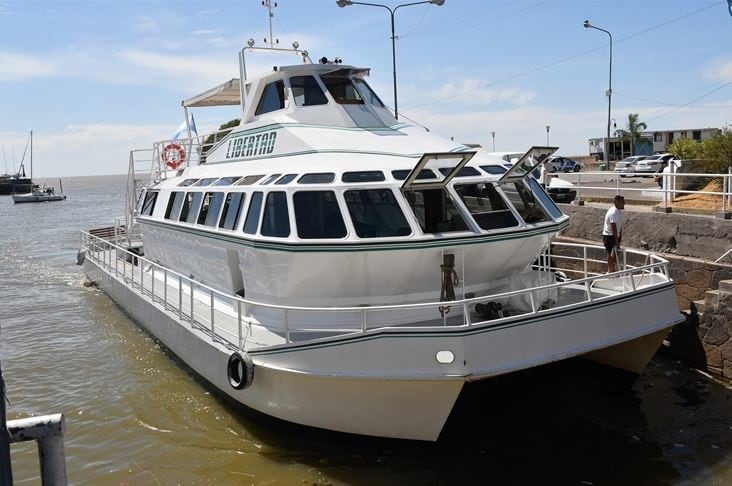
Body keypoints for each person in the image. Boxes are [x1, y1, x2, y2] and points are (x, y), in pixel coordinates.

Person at [602, 195, 625, 273]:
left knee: (614, 253)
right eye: (622, 202)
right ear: (616, 202)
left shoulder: (618, 211)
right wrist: (617, 240)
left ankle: (613, 269)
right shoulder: (613, 212)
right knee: (610, 253)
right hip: (609, 236)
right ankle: (610, 270)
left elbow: (619, 225)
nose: (624, 204)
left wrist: (620, 236)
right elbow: (613, 227)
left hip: (614, 236)